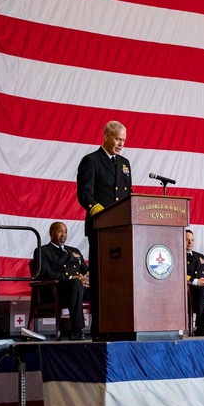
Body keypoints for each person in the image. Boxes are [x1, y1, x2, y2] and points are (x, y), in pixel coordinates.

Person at [76, 120, 132, 338]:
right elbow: (85, 193)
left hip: (123, 231)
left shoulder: (125, 163)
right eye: (118, 139)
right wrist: (99, 211)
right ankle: (100, 327)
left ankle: (121, 324)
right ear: (106, 136)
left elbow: (128, 194)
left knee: (122, 278)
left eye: (123, 140)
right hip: (101, 229)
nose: (121, 144)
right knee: (102, 278)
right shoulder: (91, 161)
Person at [33, 222, 88, 341]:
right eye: (59, 231)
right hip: (57, 290)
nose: (63, 234)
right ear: (51, 233)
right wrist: (71, 278)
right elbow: (45, 273)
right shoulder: (43, 251)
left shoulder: (74, 251)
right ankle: (76, 330)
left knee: (104, 287)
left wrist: (87, 278)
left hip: (80, 287)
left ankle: (104, 330)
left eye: (65, 231)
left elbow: (86, 269)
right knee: (76, 284)